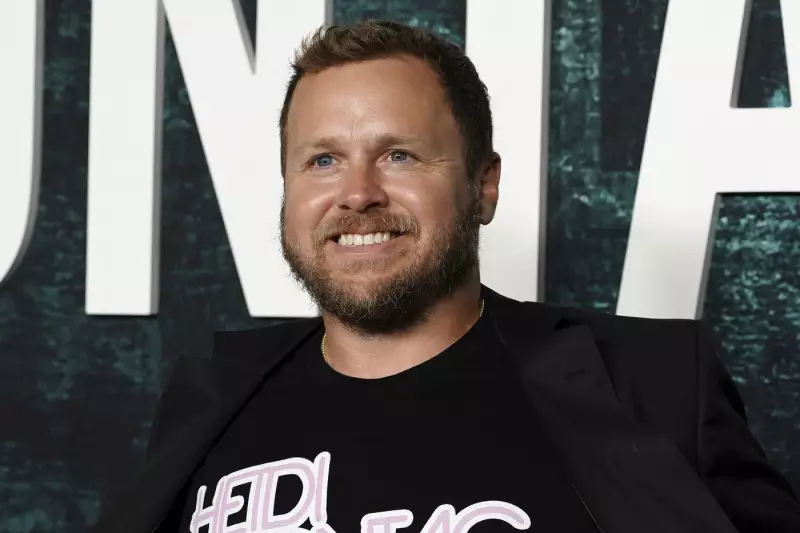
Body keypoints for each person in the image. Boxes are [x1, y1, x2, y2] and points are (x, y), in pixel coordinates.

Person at [92, 20, 800, 533]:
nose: (357, 194)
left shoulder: (653, 383)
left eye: (398, 156)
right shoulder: (207, 396)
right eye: (322, 160)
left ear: (483, 186)